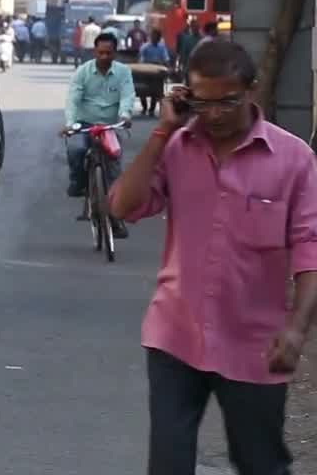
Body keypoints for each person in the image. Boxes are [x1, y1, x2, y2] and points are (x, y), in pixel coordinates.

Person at [109, 38, 317, 475]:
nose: (216, 114)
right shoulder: (175, 147)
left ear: (252, 90)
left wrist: (297, 329)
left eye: (229, 101)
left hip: (255, 344)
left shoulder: (295, 160)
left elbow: (309, 250)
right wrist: (163, 130)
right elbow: (123, 207)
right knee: (168, 463)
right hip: (175, 336)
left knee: (260, 463)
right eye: (204, 103)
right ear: (187, 96)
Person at [62, 32, 135, 222]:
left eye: (108, 53)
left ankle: (115, 218)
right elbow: (73, 100)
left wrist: (125, 115)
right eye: (101, 53)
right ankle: (78, 183)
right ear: (95, 52)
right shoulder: (82, 72)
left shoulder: (123, 72)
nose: (104, 57)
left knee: (114, 167)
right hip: (85, 123)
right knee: (76, 149)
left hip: (110, 126)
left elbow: (127, 95)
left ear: (115, 53)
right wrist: (70, 124)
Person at [138, 29, 171, 117]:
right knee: (142, 90)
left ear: (159, 38)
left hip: (157, 71)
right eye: (153, 36)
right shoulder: (145, 47)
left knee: (155, 90)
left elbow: (166, 58)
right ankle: (144, 107)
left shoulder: (162, 47)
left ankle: (152, 109)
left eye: (157, 37)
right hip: (146, 70)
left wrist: (168, 67)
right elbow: (141, 60)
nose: (155, 38)